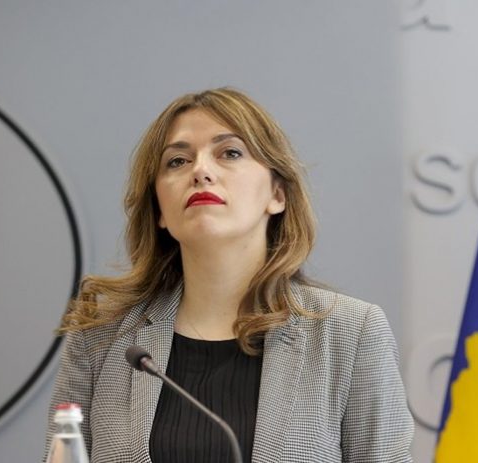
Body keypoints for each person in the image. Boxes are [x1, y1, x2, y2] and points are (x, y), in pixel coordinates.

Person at [45, 88, 413, 462]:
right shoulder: (100, 336)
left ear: (278, 194)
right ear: (159, 210)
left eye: (230, 153)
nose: (201, 171)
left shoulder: (351, 333)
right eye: (177, 161)